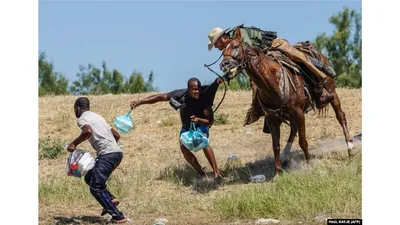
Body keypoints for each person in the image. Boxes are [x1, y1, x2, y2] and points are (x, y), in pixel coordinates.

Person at [207, 25, 335, 110]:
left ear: (222, 38)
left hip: (273, 47)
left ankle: (320, 80)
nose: (217, 47)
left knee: (297, 59)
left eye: (216, 43)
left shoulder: (239, 35)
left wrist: (231, 73)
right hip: (263, 58)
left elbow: (250, 54)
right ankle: (262, 110)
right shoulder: (230, 48)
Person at [130, 77, 225, 184]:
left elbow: (210, 121)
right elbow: (159, 97)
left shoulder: (204, 99)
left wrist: (198, 119)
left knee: (203, 142)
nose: (197, 91)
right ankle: (202, 174)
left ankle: (216, 173)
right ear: (188, 89)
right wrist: (140, 102)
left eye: (198, 89)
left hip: (201, 125)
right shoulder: (180, 95)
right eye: (194, 89)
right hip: (186, 127)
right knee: (184, 148)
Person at [67, 97, 129, 224]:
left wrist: (74, 144)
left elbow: (87, 131)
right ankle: (111, 199)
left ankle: (118, 217)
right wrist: (107, 147)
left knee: (95, 187)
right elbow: (116, 135)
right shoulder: (98, 117)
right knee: (89, 177)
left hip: (108, 155)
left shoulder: (82, 118)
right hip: (117, 153)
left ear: (77, 108)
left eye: (75, 109)